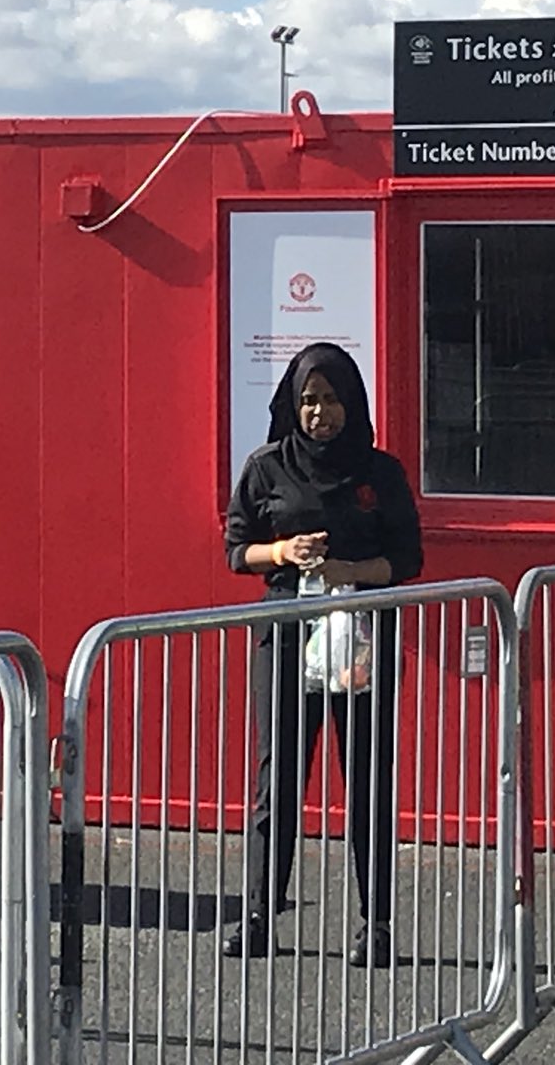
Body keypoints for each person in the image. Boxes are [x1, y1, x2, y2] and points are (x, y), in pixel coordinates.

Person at [221, 342, 423, 968]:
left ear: (351, 404)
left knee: (364, 779)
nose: (319, 413)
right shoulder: (266, 467)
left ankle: (377, 924)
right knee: (276, 780)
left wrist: (347, 570)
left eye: (331, 400)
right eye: (309, 401)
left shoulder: (379, 472)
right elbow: (236, 550)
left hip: (362, 640)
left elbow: (408, 560)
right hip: (286, 641)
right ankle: (259, 917)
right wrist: (283, 554)